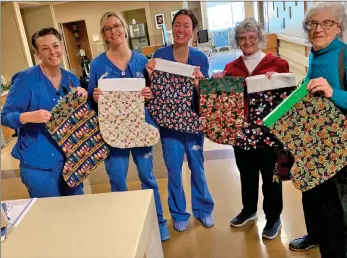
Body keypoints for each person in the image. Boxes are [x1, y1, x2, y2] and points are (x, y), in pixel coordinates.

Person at [87, 12, 170, 241]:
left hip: (140, 127)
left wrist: (150, 93)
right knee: (117, 179)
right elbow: (90, 100)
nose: (113, 31)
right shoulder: (97, 65)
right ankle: (125, 225)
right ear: (104, 34)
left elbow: (154, 95)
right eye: (107, 29)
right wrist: (95, 96)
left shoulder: (142, 61)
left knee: (148, 178)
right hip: (112, 132)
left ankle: (158, 221)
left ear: (124, 28)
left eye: (116, 26)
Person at [213, 18, 289, 240]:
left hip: (270, 132)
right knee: (246, 173)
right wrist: (218, 81)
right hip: (241, 130)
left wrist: (278, 80)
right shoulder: (231, 68)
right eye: (242, 38)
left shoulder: (277, 64)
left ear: (259, 38)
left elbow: (288, 96)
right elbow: (222, 100)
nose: (247, 41)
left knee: (272, 175)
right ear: (237, 41)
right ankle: (249, 210)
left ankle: (274, 217)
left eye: (251, 37)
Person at [146, 9, 215, 232]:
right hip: (169, 125)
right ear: (171, 27)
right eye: (177, 25)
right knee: (174, 170)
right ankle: (178, 212)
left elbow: (205, 95)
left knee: (198, 167)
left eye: (186, 26)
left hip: (194, 122)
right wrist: (149, 73)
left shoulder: (200, 59)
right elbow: (151, 90)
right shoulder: (160, 56)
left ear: (193, 31)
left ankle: (204, 209)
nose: (181, 30)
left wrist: (199, 84)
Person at [288, 3, 347, 257]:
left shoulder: (344, 54)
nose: (318, 29)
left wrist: (334, 93)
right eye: (312, 24)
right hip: (314, 143)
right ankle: (316, 237)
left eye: (327, 23)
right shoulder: (315, 54)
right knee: (312, 196)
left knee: (336, 209)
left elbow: (332, 91)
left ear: (339, 27)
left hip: (340, 148)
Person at [1, 27, 87, 197]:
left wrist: (83, 99)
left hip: (72, 158)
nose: (52, 52)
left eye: (55, 46)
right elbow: (5, 116)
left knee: (76, 210)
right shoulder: (26, 79)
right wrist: (27, 117)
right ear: (38, 54)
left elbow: (79, 118)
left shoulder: (71, 79)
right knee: (50, 215)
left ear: (61, 46)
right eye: (45, 48)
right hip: (39, 163)